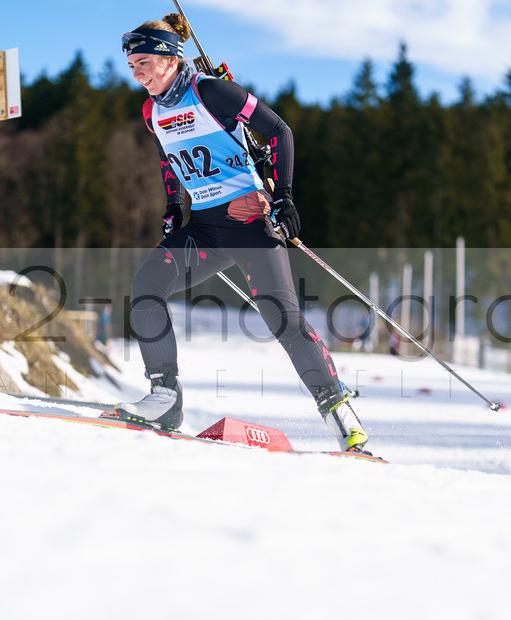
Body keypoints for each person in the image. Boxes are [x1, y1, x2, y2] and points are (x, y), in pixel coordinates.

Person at [108, 13, 371, 454]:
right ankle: (165, 398)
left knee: (281, 319)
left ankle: (339, 410)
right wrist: (174, 206)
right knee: (146, 287)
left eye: (142, 62)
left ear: (171, 58)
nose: (135, 73)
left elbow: (279, 131)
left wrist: (285, 198)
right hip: (206, 228)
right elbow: (167, 161)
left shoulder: (210, 91)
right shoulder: (153, 111)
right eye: (131, 64)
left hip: (250, 221)